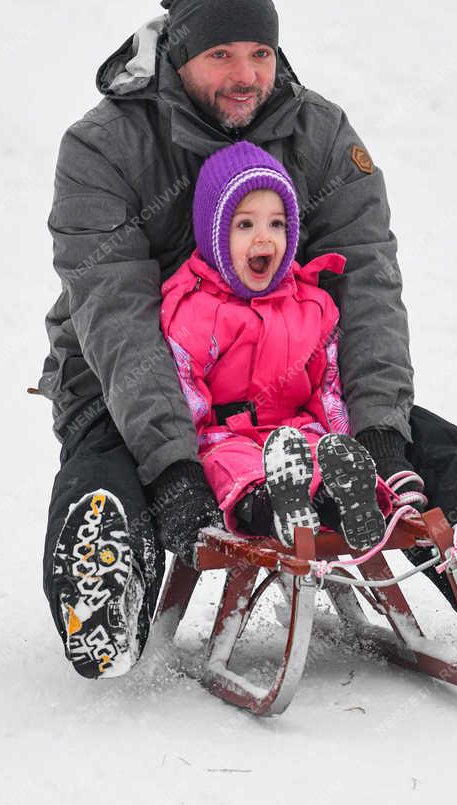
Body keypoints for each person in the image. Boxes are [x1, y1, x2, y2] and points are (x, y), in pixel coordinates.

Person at [39, 0, 457, 680]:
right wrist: (172, 466)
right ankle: (105, 596)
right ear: (176, 51)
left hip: (288, 384)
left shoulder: (320, 135)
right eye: (221, 55)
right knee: (111, 463)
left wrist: (377, 427)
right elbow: (115, 317)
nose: (246, 74)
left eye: (260, 53)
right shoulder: (104, 147)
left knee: (425, 448)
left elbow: (367, 287)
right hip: (131, 377)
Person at [161, 139, 394, 551]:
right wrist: (191, 453)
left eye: (277, 224)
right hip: (224, 437)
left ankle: (346, 501)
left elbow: (328, 386)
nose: (264, 239)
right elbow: (185, 389)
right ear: (214, 236)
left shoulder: (310, 305)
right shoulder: (195, 308)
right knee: (234, 467)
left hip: (295, 432)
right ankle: (271, 509)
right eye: (245, 225)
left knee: (322, 456)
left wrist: (339, 437)